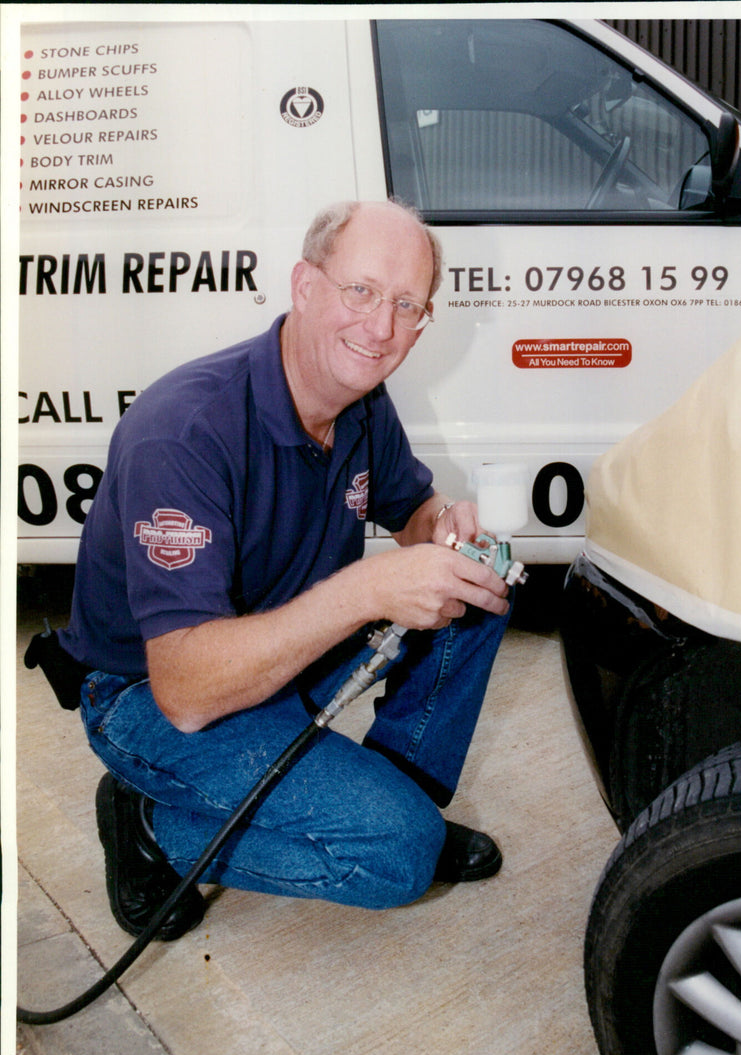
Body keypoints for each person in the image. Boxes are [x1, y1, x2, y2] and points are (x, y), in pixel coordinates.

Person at [57, 199, 512, 941]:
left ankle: (395, 798)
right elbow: (185, 690)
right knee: (398, 858)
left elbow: (413, 511)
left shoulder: (362, 403)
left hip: (279, 649)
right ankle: (150, 821)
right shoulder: (184, 432)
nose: (381, 328)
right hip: (148, 693)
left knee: (477, 593)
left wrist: (445, 529)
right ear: (304, 286)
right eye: (361, 291)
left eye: (406, 305)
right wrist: (366, 589)